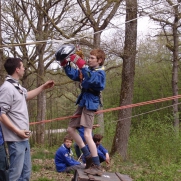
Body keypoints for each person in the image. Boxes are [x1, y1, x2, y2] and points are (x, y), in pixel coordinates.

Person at [0, 57, 54, 181]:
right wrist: (17, 131)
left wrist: (43, 87)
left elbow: (26, 95)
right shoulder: (6, 88)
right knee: (15, 176)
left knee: (25, 175)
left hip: (23, 138)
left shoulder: (16, 86)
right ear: (17, 69)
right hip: (15, 139)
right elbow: (1, 115)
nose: (24, 68)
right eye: (22, 66)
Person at [56, 46, 106, 176]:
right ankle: (88, 155)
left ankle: (97, 165)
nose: (89, 60)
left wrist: (79, 61)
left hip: (91, 103)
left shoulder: (100, 73)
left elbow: (90, 78)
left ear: (99, 60)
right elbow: (75, 75)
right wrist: (65, 63)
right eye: (88, 58)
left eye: (92, 58)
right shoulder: (88, 70)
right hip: (83, 102)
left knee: (87, 134)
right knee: (71, 129)